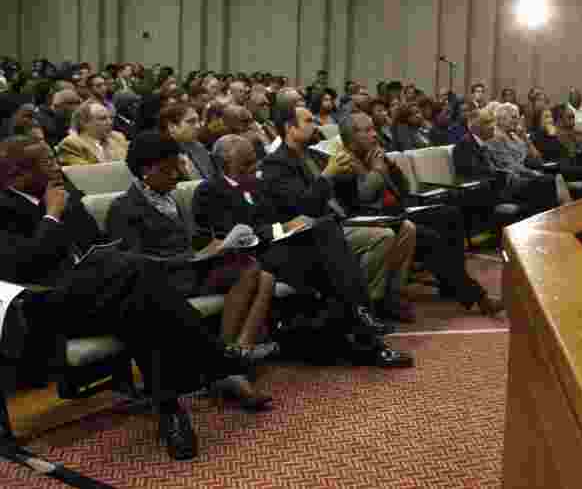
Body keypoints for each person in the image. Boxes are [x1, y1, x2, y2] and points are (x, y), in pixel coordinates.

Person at [0, 135, 263, 460]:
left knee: (141, 303)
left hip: (105, 293)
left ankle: (172, 412)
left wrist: (72, 224)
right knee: (139, 273)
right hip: (47, 305)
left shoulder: (67, 197)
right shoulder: (7, 208)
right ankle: (216, 360)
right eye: (47, 162)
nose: (56, 166)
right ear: (19, 174)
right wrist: (51, 216)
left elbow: (99, 246)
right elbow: (24, 264)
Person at [107, 132, 277, 409]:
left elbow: (193, 238)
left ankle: (230, 358)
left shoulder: (170, 198)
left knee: (262, 273)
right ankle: (227, 364)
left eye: (178, 166)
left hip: (191, 270)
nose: (178, 174)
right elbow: (132, 263)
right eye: (170, 169)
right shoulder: (124, 208)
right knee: (252, 271)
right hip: (163, 283)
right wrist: (188, 258)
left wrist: (222, 245)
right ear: (147, 170)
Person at [194, 135, 401, 360]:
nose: (254, 167)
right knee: (330, 257)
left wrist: (296, 222)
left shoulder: (258, 184)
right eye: (246, 163)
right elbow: (232, 233)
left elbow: (286, 212)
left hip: (282, 248)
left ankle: (356, 326)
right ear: (225, 162)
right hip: (249, 258)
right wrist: (279, 228)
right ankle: (362, 318)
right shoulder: (209, 191)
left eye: (254, 161)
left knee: (325, 231)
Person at [259, 103, 414, 366]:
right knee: (358, 236)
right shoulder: (276, 164)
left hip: (331, 229)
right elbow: (304, 207)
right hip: (297, 242)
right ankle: (364, 317)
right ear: (289, 128)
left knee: (396, 228)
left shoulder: (314, 155)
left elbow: (352, 197)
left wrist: (363, 169)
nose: (315, 125)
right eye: (308, 121)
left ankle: (367, 313)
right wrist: (329, 174)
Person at [334, 112, 504, 317]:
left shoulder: (374, 154)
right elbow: (363, 197)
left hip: (399, 210)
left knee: (450, 214)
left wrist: (389, 166)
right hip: (376, 221)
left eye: (374, 129)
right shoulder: (345, 162)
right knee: (430, 238)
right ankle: (476, 296)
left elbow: (403, 188)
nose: (375, 135)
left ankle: (450, 285)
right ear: (352, 137)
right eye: (368, 130)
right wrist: (378, 171)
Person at [56, 100, 130, 166]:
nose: (110, 122)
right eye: (103, 119)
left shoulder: (117, 137)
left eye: (110, 118)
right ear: (84, 122)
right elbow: (87, 174)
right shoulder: (71, 144)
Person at [159, 104, 219, 181]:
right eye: (191, 122)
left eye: (198, 121)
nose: (198, 126)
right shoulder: (164, 154)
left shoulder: (198, 146)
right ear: (171, 126)